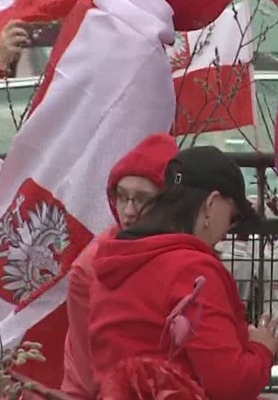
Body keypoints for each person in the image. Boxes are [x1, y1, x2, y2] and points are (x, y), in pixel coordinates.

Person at [90, 145, 278, 400]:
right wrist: (262, 348)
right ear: (212, 203)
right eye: (232, 217)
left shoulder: (112, 258)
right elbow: (230, 383)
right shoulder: (193, 270)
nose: (227, 231)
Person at [61, 132, 179, 399]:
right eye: (122, 196)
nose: (128, 211)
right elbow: (84, 375)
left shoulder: (183, 255)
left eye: (141, 199)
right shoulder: (90, 269)